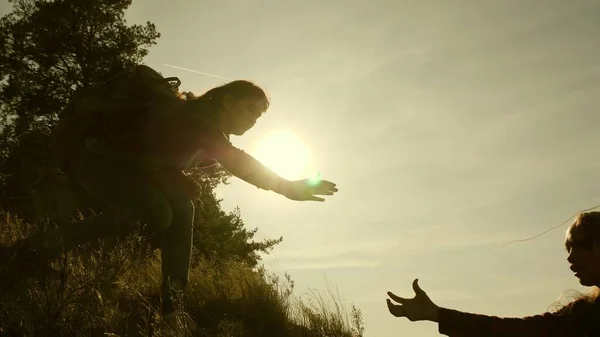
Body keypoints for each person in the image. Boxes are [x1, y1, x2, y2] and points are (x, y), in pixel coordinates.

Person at [55, 77, 338, 333]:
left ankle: (173, 309)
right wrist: (287, 188)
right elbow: (238, 162)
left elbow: (154, 152)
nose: (253, 120)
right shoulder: (198, 121)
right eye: (250, 110)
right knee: (157, 211)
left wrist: (171, 177)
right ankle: (49, 243)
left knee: (181, 208)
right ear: (228, 101)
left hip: (123, 168)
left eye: (259, 116)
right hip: (93, 161)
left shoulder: (202, 127)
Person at [386, 211, 600, 336]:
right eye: (567, 249)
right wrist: (436, 314)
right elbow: (512, 331)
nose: (570, 257)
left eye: (578, 244)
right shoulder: (580, 314)